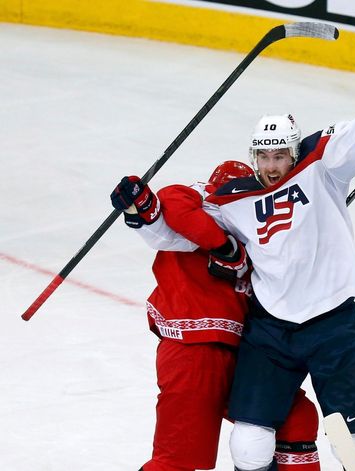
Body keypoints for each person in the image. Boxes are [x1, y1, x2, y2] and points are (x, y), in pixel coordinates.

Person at [118, 14, 355, 471]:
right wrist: (140, 211)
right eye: (264, 155)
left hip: (332, 322)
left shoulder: (324, 166)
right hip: (272, 329)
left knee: (353, 445)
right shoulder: (233, 199)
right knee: (249, 443)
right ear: (252, 155)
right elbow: (177, 236)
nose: (273, 164)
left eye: (280, 154)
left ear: (294, 150)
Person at [110, 161, 320, 471]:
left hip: (248, 356)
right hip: (194, 352)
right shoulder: (199, 218)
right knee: (178, 458)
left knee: (296, 418)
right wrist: (136, 206)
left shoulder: (263, 235)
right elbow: (165, 217)